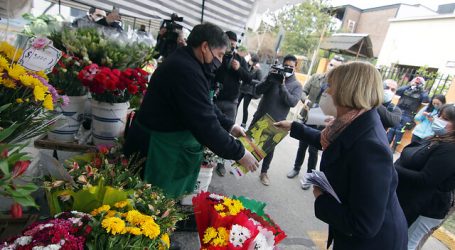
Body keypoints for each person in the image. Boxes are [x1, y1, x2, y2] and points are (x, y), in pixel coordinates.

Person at [275, 61, 408, 250]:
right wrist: (293, 126)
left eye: (331, 86)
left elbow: (364, 224)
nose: (327, 92)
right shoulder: (353, 120)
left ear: (348, 90)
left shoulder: (370, 147)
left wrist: (321, 199)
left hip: (372, 243)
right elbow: (332, 143)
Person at [123, 23, 258, 199]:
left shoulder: (189, 62)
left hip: (166, 144)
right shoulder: (185, 70)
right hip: (157, 151)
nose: (219, 61)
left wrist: (230, 126)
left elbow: (205, 103)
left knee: (159, 204)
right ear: (204, 47)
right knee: (149, 202)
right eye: (218, 55)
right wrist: (239, 153)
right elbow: (205, 124)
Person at [395, 104, 455, 250]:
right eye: (440, 116)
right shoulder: (439, 138)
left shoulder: (450, 148)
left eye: (445, 119)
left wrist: (393, 169)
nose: (438, 120)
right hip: (415, 202)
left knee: (405, 244)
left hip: (427, 208)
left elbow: (426, 179)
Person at [287, 57, 343, 185]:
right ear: (328, 65)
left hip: (323, 120)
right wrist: (305, 100)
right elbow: (303, 91)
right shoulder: (316, 77)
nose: (332, 68)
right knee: (302, 145)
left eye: (336, 67)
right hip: (308, 114)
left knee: (313, 150)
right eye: (332, 65)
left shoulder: (339, 86)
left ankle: (309, 177)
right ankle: (296, 168)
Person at [251, 55, 302, 186]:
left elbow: (292, 102)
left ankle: (264, 172)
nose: (289, 68)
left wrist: (282, 85)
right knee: (249, 141)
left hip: (277, 122)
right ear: (282, 65)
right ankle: (239, 165)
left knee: (269, 149)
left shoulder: (297, 85)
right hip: (260, 115)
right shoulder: (273, 76)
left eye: (292, 67)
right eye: (286, 66)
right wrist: (269, 79)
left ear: (295, 67)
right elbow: (257, 90)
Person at [214, 31, 252, 177]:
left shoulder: (239, 59)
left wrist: (239, 69)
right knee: (212, 126)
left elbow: (248, 78)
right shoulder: (219, 56)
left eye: (234, 43)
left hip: (231, 101)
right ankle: (206, 157)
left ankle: (221, 163)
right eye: (229, 42)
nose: (231, 45)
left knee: (227, 130)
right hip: (216, 99)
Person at [387, 76, 429, 152]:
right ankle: (386, 145)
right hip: (398, 110)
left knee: (400, 131)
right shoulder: (406, 89)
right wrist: (409, 85)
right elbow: (398, 91)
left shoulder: (421, 93)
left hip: (408, 114)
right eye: (415, 81)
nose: (416, 83)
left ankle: (394, 147)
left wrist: (421, 89)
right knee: (392, 128)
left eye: (418, 82)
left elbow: (426, 99)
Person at [238, 54, 263, 128]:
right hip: (242, 89)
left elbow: (259, 81)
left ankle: (243, 123)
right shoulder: (248, 66)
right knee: (236, 104)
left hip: (249, 91)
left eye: (251, 60)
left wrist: (250, 81)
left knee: (245, 108)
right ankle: (232, 119)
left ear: (254, 62)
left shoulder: (258, 70)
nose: (250, 61)